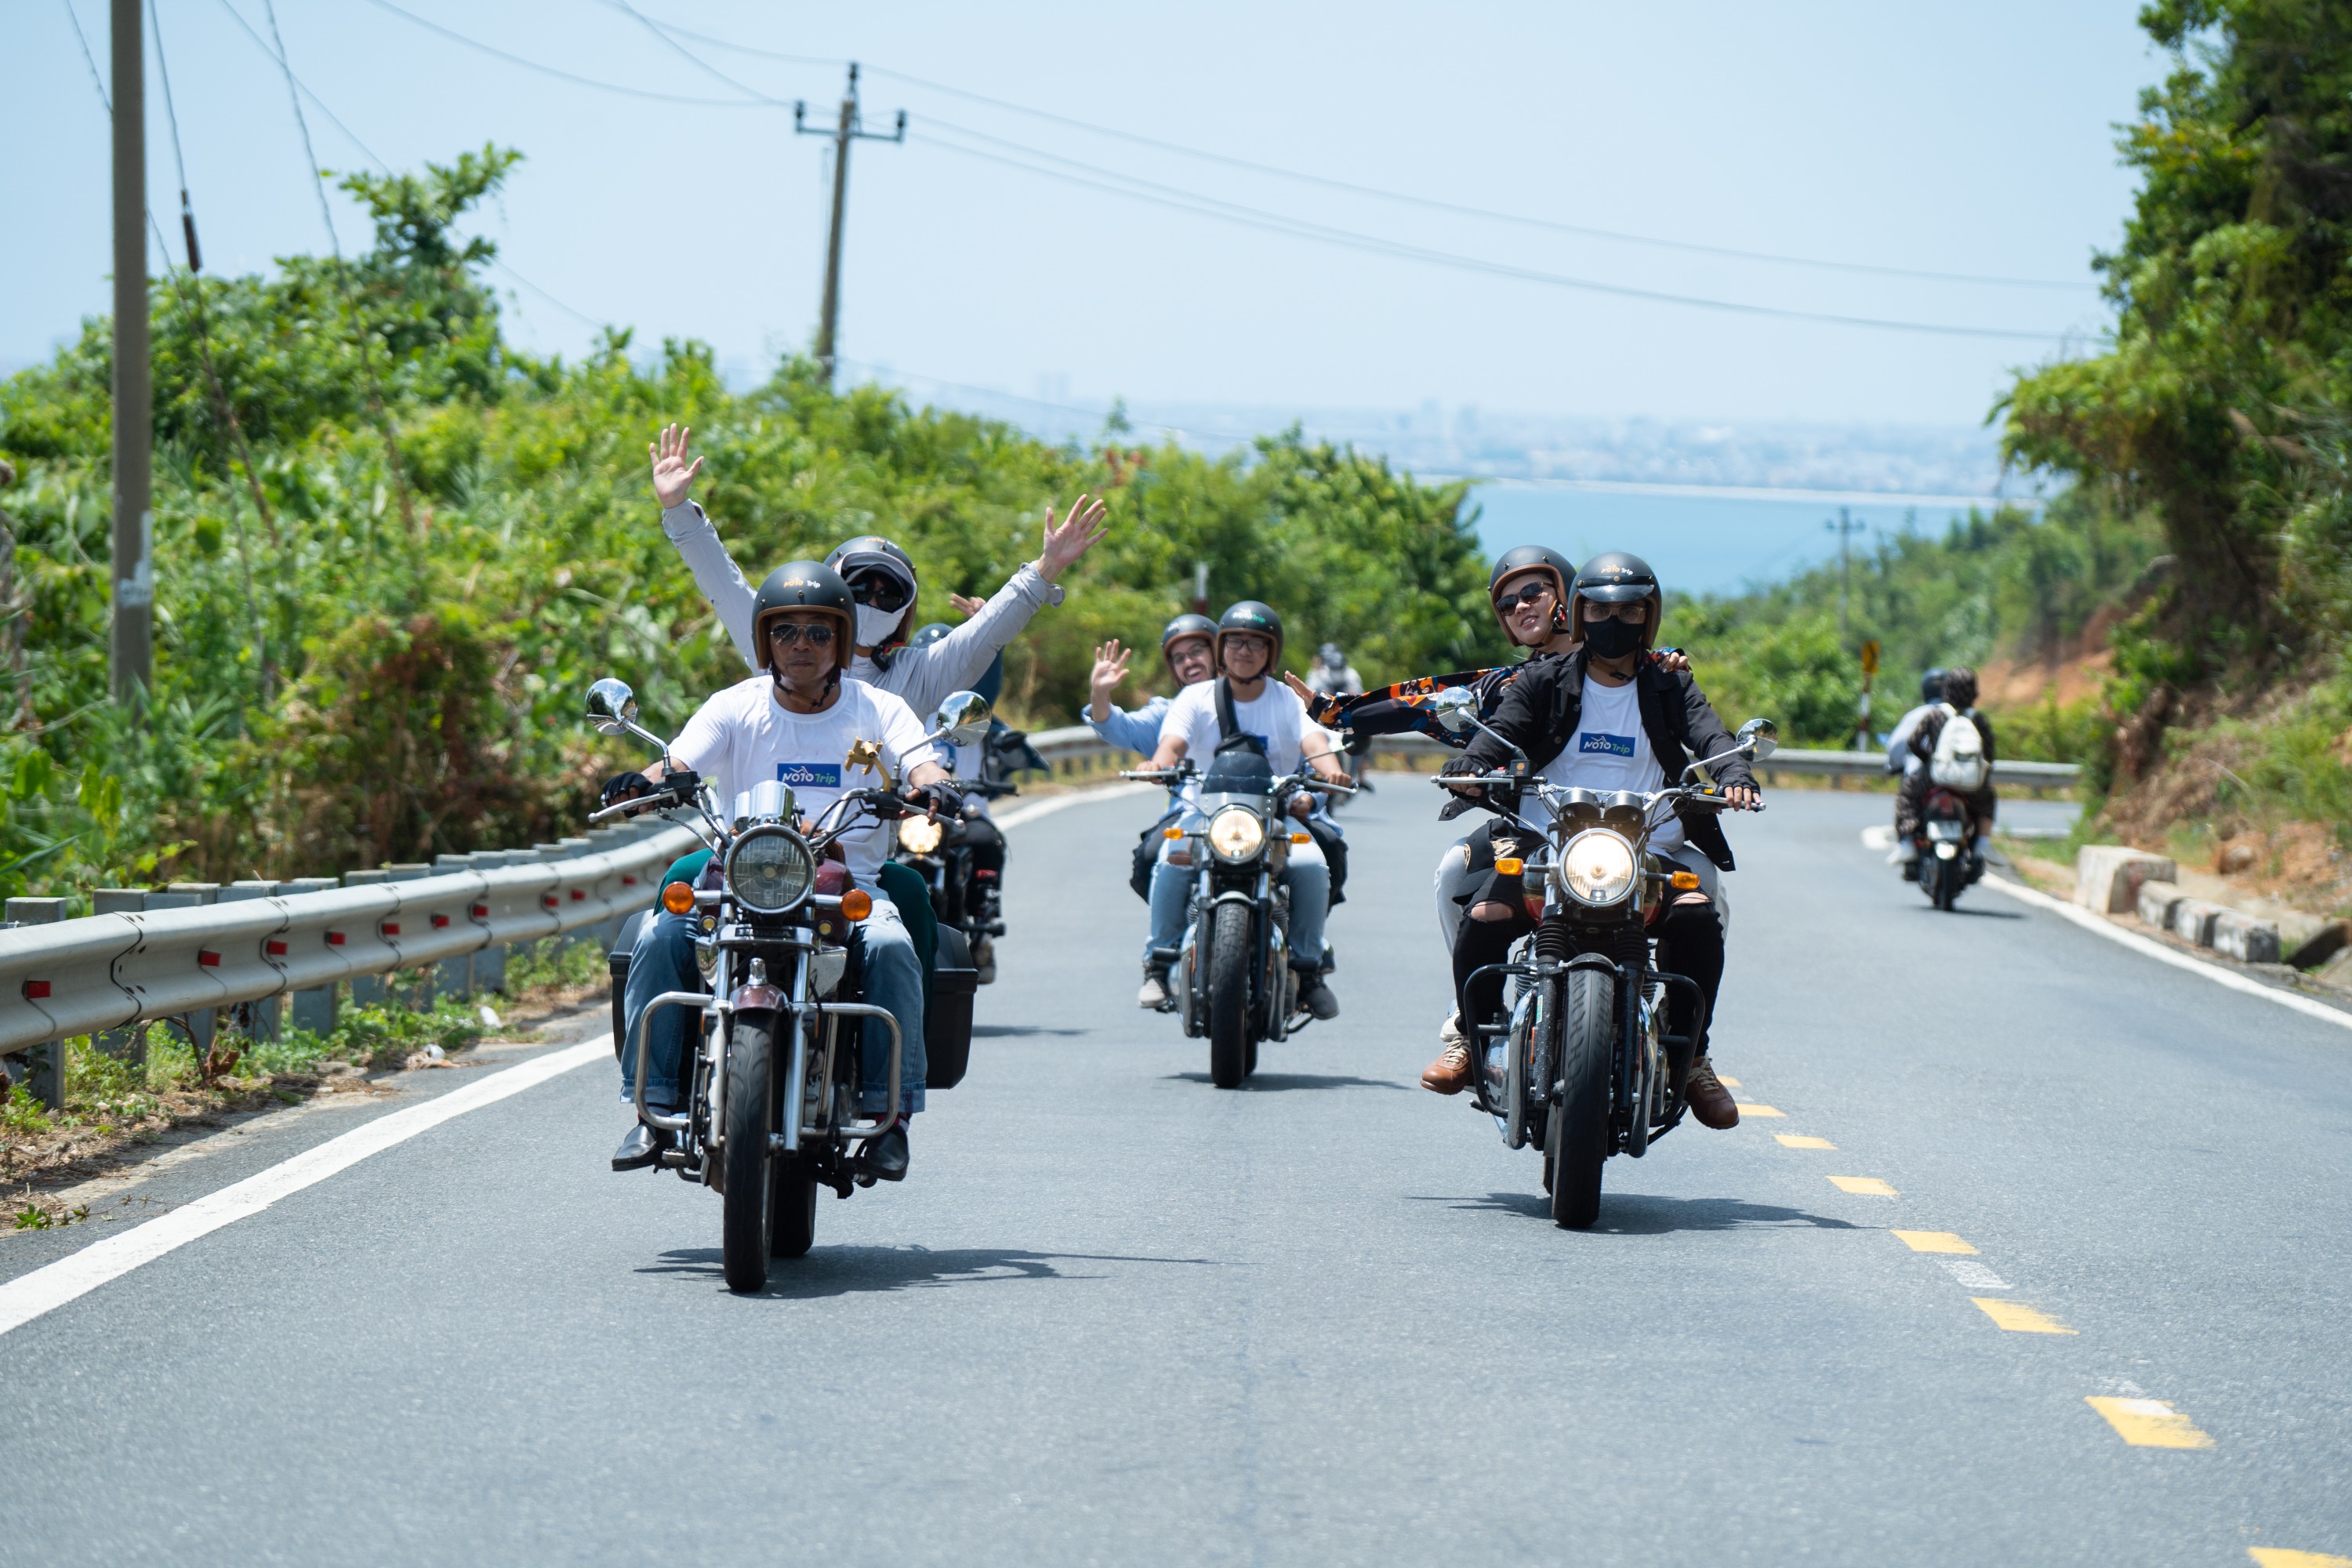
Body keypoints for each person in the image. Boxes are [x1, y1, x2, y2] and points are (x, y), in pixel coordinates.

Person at [605, 561, 956, 1181]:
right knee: (661, 933)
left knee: (894, 945)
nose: (802, 645)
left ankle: (890, 1114)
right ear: (766, 640)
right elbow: (681, 761)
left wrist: (935, 785)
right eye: (787, 631)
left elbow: (921, 762)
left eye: (818, 633)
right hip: (741, 882)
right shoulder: (736, 705)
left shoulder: (879, 709)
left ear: (842, 642)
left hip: (851, 890)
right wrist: (647, 781)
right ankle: (652, 1103)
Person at [1290, 545, 1688, 1050]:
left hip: (1634, 830)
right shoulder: (1505, 684)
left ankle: (1686, 1037)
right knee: (1454, 872)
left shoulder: (1649, 669)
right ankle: (1471, 1013)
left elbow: (1691, 715)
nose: (1520, 607)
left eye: (1532, 593)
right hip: (1531, 827)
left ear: (1573, 597)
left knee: (1705, 897)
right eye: (1506, 604)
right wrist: (1336, 713)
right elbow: (1417, 704)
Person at [1428, 551, 1758, 1132]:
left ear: (1649, 616)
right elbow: (1501, 734)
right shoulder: (1543, 679)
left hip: (1650, 849)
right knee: (1482, 915)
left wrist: (1734, 776)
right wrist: (1472, 763)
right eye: (1601, 608)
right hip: (1547, 844)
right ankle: (1474, 1043)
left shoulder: (1669, 683)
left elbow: (1710, 734)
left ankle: (1692, 1057)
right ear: (1578, 613)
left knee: (1700, 916)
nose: (1615, 620)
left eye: (1630, 609)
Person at [647, 423, 1108, 713]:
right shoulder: (781, 647)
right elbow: (724, 584)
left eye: (888, 593)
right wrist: (679, 509)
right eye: (858, 586)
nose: (870, 600)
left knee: (907, 878)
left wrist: (1047, 566)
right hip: (771, 845)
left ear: (906, 612)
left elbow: (989, 629)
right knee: (686, 873)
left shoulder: (920, 677)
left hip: (862, 854)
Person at [1147, 601, 1354, 1020]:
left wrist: (1331, 771)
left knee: (1313, 865)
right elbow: (1172, 744)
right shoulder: (1195, 697)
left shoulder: (1287, 700)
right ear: (1222, 648)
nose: (1246, 651)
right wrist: (1158, 764)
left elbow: (1316, 744)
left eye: (1258, 643)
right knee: (1169, 860)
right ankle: (1159, 962)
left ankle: (1308, 968)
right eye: (1237, 642)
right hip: (1204, 814)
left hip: (1274, 816)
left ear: (1271, 653)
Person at [1085, 617, 1220, 1009]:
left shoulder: (1256, 699)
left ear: (1219, 650)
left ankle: (1306, 960)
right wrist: (1100, 694)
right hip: (1192, 816)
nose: (1189, 662)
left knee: (1320, 851)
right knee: (1151, 858)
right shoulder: (1172, 711)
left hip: (1254, 817)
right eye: (1178, 657)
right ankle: (1160, 963)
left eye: (1197, 650)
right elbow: (1119, 728)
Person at [1896, 664, 1997, 852]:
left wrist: (1929, 761)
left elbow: (1913, 742)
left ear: (1947, 688)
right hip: (1971, 783)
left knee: (1908, 792)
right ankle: (1983, 844)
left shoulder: (1936, 715)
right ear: (1974, 691)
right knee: (1988, 798)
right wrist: (1980, 776)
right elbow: (1989, 753)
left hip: (1935, 778)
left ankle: (1907, 843)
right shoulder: (1978, 719)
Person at [1886, 668, 1947, 879]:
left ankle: (1908, 842)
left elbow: (1898, 746)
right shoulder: (1960, 714)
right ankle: (1981, 844)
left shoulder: (1917, 716)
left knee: (1907, 800)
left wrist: (1895, 765)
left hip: (1923, 778)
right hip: (1961, 780)